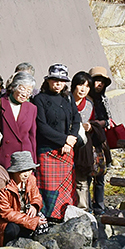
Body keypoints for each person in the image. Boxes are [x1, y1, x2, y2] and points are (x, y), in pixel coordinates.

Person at [33, 64, 80, 221]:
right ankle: (46, 218)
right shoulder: (39, 99)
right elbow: (42, 126)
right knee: (47, 187)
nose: (58, 83)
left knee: (66, 188)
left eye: (62, 80)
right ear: (48, 81)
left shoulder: (68, 98)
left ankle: (64, 215)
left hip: (67, 149)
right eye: (55, 80)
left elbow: (76, 119)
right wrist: (64, 139)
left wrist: (71, 139)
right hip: (47, 150)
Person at [0, 151, 46, 246]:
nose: (27, 174)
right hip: (5, 220)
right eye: (23, 170)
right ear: (15, 171)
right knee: (12, 229)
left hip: (23, 215)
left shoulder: (31, 179)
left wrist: (34, 206)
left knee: (42, 223)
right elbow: (6, 213)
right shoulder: (4, 186)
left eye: (29, 170)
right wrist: (30, 221)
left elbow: (37, 196)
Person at [72, 71, 107, 214]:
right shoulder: (66, 102)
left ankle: (86, 210)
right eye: (81, 85)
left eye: (87, 86)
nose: (83, 89)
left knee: (86, 179)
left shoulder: (91, 104)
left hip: (85, 146)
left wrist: (92, 125)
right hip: (68, 143)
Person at [0, 72, 37, 169]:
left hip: (24, 157)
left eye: (29, 91)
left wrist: (33, 162)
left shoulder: (32, 108)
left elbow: (32, 137)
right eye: (22, 88)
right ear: (14, 87)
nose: (25, 94)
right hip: (5, 156)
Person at [87, 66, 116, 212]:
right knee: (87, 173)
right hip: (87, 141)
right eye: (96, 81)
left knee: (100, 174)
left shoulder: (103, 99)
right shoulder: (85, 100)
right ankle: (86, 205)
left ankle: (99, 205)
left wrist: (103, 123)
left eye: (102, 82)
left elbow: (108, 119)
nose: (99, 84)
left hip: (100, 142)